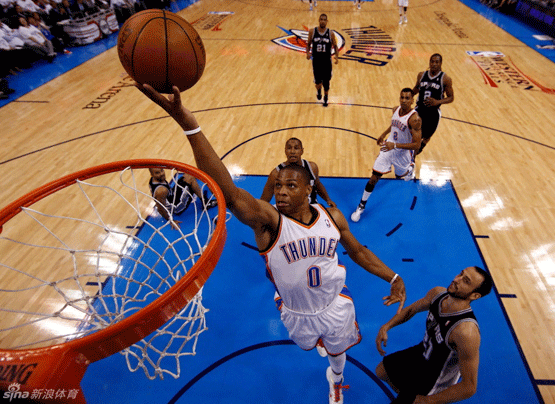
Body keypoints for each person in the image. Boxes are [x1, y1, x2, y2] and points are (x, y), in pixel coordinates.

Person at [137, 83, 407, 404]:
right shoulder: (269, 220)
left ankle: (336, 380)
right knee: (312, 341)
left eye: (290, 185)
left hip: (334, 304)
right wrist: (189, 124)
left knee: (338, 354)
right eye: (278, 185)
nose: (280, 191)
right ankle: (320, 342)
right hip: (295, 311)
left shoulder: (331, 216)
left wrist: (393, 277)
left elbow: (359, 251)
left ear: (309, 189)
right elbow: (230, 190)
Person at [375, 266, 493, 404]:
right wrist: (387, 326)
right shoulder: (438, 294)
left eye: (465, 281)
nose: (456, 279)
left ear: (474, 295)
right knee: (382, 371)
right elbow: (411, 310)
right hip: (422, 352)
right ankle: (408, 396)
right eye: (460, 273)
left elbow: (469, 387)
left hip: (436, 376)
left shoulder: (466, 331)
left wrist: (428, 400)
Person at [350, 88, 421, 223]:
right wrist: (383, 134)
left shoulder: (415, 119)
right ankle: (361, 205)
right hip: (388, 148)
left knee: (401, 177)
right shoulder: (395, 110)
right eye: (402, 97)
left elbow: (417, 145)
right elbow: (393, 125)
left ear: (412, 100)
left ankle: (410, 167)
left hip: (402, 152)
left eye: (407, 98)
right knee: (373, 178)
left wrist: (395, 146)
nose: (404, 101)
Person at [260, 137, 336, 208]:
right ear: (285, 151)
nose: (292, 151)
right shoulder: (276, 174)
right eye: (289, 148)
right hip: (288, 212)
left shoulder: (312, 167)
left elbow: (317, 184)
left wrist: (328, 199)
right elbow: (264, 201)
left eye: (296, 148)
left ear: (302, 151)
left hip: (311, 209)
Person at [411, 53, 454, 156]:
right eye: (432, 61)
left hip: (433, 113)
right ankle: (411, 157)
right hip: (419, 109)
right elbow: (417, 87)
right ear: (429, 62)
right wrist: (410, 95)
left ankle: (420, 147)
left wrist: (437, 102)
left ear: (440, 63)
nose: (434, 64)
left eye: (436, 62)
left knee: (426, 137)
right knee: (413, 135)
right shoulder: (421, 75)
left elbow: (451, 98)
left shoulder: (445, 79)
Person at [149, 167, 217, 229]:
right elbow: (160, 208)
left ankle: (202, 198)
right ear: (151, 174)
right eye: (157, 173)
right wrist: (171, 221)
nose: (161, 174)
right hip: (176, 207)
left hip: (171, 197)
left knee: (188, 175)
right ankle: (206, 203)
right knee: (191, 179)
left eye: (162, 170)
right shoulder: (161, 191)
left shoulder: (153, 180)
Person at [306, 13, 339, 107]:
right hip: (316, 61)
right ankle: (319, 91)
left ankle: (326, 97)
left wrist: (337, 56)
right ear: (318, 20)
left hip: (326, 62)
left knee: (326, 82)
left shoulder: (330, 33)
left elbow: (335, 46)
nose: (323, 21)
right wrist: (307, 53)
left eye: (324, 19)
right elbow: (308, 44)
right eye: (321, 19)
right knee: (317, 82)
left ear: (327, 21)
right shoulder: (312, 32)